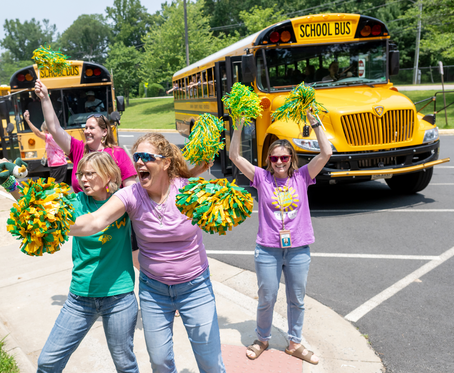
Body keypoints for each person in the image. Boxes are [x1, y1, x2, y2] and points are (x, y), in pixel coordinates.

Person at [69, 133, 223, 373]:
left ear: (165, 163)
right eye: (136, 157)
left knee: (211, 363)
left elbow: (223, 211)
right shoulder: (131, 195)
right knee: (160, 362)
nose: (139, 162)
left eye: (146, 157)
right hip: (154, 291)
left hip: (195, 287)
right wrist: (53, 225)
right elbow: (95, 221)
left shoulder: (190, 190)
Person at [0, 152, 139, 373]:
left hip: (119, 298)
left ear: (108, 174)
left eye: (90, 174)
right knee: (47, 362)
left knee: (125, 365)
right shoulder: (76, 201)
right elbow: (40, 209)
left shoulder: (123, 202)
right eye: (81, 174)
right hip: (80, 298)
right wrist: (12, 184)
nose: (83, 179)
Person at [229, 111, 332, 365]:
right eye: (274, 158)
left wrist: (315, 123)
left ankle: (295, 343)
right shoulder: (261, 178)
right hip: (267, 249)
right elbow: (234, 156)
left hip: (298, 248)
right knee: (267, 296)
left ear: (291, 158)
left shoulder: (303, 176)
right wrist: (240, 123)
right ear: (269, 160)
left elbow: (326, 153)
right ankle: (262, 339)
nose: (279, 162)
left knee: (297, 298)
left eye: (284, 157)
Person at [34, 79, 141, 267]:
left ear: (104, 132)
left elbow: (132, 188)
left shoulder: (118, 153)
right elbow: (54, 127)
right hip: (85, 223)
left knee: (134, 264)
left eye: (92, 128)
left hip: (117, 223)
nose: (86, 131)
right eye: (85, 128)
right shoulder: (77, 149)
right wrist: (45, 98)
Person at [23, 110, 68, 183]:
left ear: (47, 130)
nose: (43, 132)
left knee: (54, 187)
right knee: (56, 187)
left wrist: (28, 121)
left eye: (44, 130)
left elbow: (38, 133)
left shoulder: (51, 137)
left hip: (58, 165)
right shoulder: (54, 136)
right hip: (57, 165)